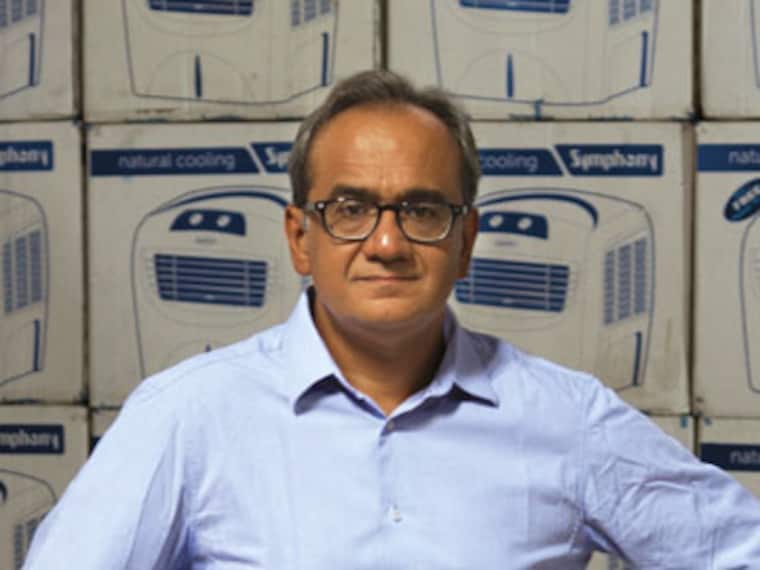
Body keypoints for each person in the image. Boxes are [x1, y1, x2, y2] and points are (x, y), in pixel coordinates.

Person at [24, 70, 760, 569]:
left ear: (465, 240)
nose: (386, 244)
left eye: (422, 210)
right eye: (349, 209)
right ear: (299, 238)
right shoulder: (188, 416)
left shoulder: (569, 419)